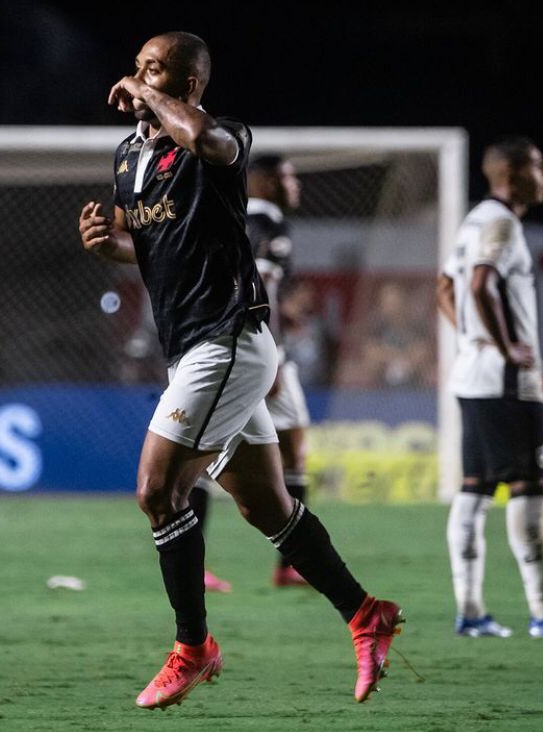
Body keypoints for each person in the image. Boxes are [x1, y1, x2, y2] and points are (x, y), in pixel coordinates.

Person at [77, 31, 402, 710]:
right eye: (135, 68)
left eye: (155, 71)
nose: (136, 80)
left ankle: (192, 648)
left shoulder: (220, 138)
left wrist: (147, 96)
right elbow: (159, 251)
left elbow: (200, 139)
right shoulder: (130, 157)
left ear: (189, 83)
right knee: (263, 505)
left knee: (156, 491)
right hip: (195, 347)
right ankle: (363, 613)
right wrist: (113, 249)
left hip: (226, 340)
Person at [436, 137, 543, 638]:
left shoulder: (473, 221)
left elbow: (445, 287)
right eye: (538, 165)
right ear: (511, 174)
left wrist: (472, 339)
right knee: (529, 488)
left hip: (473, 375)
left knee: (475, 489)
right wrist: (507, 346)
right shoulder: (502, 223)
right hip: (507, 382)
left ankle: (470, 612)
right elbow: (477, 284)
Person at [187, 153, 313, 591]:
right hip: (258, 350)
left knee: (204, 455)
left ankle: (284, 564)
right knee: (291, 447)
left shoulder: (235, 218)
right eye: (288, 175)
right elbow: (257, 284)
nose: (296, 184)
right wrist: (273, 348)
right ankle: (291, 563)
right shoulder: (267, 224)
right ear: (264, 182)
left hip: (226, 343)